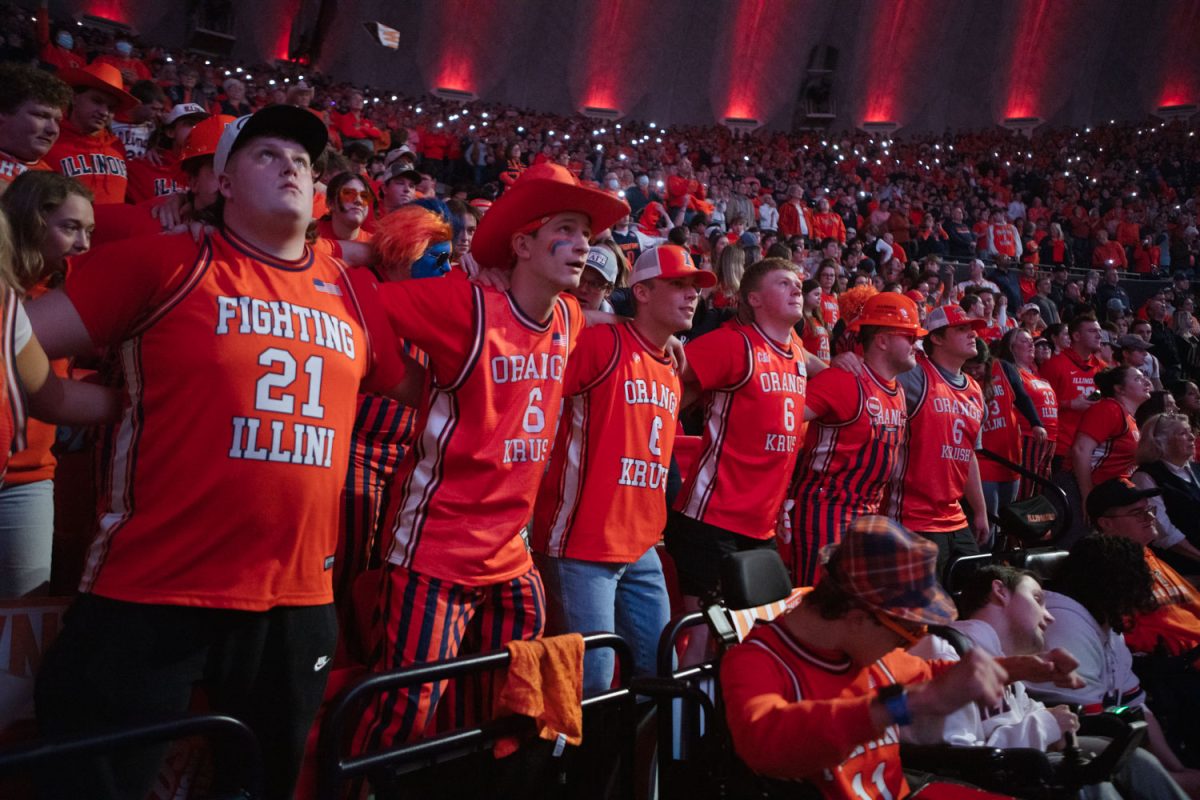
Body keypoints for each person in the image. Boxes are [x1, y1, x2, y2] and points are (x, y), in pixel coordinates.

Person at [30, 106, 419, 800]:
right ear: (223, 184)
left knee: (259, 789)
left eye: (302, 160)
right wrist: (76, 402)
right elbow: (16, 339)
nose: (292, 166)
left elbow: (422, 386)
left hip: (298, 601)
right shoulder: (165, 261)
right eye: (266, 154)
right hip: (152, 589)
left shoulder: (355, 294)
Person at [353, 162, 629, 751]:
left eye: (587, 233)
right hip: (437, 549)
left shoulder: (570, 315)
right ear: (523, 243)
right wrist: (403, 382)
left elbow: (602, 318)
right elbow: (361, 304)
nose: (583, 244)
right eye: (567, 228)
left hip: (512, 554)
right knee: (403, 717)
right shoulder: (464, 303)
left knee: (507, 708)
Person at [722, 516, 1012, 799]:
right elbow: (763, 741)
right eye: (907, 631)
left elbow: (930, 673)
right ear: (858, 617)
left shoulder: (859, 652)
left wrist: (1022, 668)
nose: (914, 641)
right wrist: (903, 705)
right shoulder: (755, 661)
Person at [531, 244, 712, 693]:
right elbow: (534, 392)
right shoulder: (600, 343)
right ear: (643, 292)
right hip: (582, 544)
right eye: (678, 285)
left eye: (694, 287)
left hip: (643, 546)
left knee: (659, 675)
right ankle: (564, 765)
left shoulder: (672, 364)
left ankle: (634, 767)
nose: (692, 296)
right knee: (587, 684)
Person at [908, 565, 1189, 800]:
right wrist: (1047, 726)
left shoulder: (1008, 665)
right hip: (988, 781)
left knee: (1136, 760)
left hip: (1020, 764)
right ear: (1000, 592)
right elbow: (955, 758)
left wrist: (1053, 724)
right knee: (1091, 781)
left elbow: (1036, 718)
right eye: (1037, 599)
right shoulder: (944, 650)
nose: (1050, 615)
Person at [669, 258, 825, 658]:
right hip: (710, 519)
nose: (796, 289)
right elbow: (670, 379)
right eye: (783, 283)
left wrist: (842, 367)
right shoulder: (733, 342)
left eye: (797, 283)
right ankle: (687, 721)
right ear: (753, 298)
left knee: (758, 640)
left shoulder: (795, 352)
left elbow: (815, 367)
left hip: (760, 527)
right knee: (705, 636)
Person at [332, 203, 452, 659]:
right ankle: (337, 657)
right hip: (354, 447)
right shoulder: (360, 286)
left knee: (394, 564)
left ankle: (375, 654)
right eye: (435, 256)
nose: (446, 267)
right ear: (403, 253)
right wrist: (367, 251)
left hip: (409, 456)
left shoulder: (441, 298)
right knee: (349, 561)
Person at [1025, 533, 1200, 796]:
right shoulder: (1065, 623)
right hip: (1059, 746)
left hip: (1102, 736)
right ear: (1111, 583)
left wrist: (1176, 769)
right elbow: (1088, 720)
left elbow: (1135, 706)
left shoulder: (1105, 621)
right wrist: (1174, 778)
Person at [0, 171, 93, 597]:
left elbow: (52, 396)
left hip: (29, 480)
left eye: (88, 230)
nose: (84, 244)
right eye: (70, 227)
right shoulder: (9, 294)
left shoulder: (73, 289)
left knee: (20, 635)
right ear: (30, 220)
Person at [787, 292, 919, 586]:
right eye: (909, 336)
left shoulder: (896, 390)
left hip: (869, 516)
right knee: (819, 605)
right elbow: (781, 421)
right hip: (826, 512)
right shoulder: (843, 380)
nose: (916, 344)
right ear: (882, 340)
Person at [890, 305, 989, 577]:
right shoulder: (914, 376)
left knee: (970, 600)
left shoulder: (975, 390)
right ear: (936, 338)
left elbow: (967, 454)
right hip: (913, 515)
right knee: (925, 610)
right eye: (961, 329)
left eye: (972, 329)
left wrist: (980, 510)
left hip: (955, 517)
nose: (972, 335)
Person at [45, 62, 138, 206]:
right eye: (97, 101)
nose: (104, 112)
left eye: (111, 107)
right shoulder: (49, 138)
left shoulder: (116, 145)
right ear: (74, 97)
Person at [1072, 366, 1152, 512]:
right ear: (1119, 389)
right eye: (1138, 379)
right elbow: (1080, 450)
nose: (1147, 382)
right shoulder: (1109, 408)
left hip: (1103, 493)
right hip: (1078, 489)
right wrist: (1088, 495)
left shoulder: (1128, 417)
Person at [1132, 414, 1200, 572]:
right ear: (1159, 442)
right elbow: (1164, 534)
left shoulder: (1196, 470)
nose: (1191, 437)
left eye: (1190, 432)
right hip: (1181, 570)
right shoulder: (1146, 477)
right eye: (1182, 433)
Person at [0, 63, 70, 195]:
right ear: (3, 112)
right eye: (41, 116)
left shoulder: (54, 186)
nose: (53, 130)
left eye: (57, 121)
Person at [316, 171, 373, 243]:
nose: (359, 200)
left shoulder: (374, 245)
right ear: (331, 203)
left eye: (364, 196)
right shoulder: (308, 235)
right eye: (348, 193)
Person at [798, 277, 830, 364]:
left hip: (823, 371)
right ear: (804, 295)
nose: (819, 298)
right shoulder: (800, 320)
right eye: (816, 294)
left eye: (820, 295)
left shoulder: (820, 320)